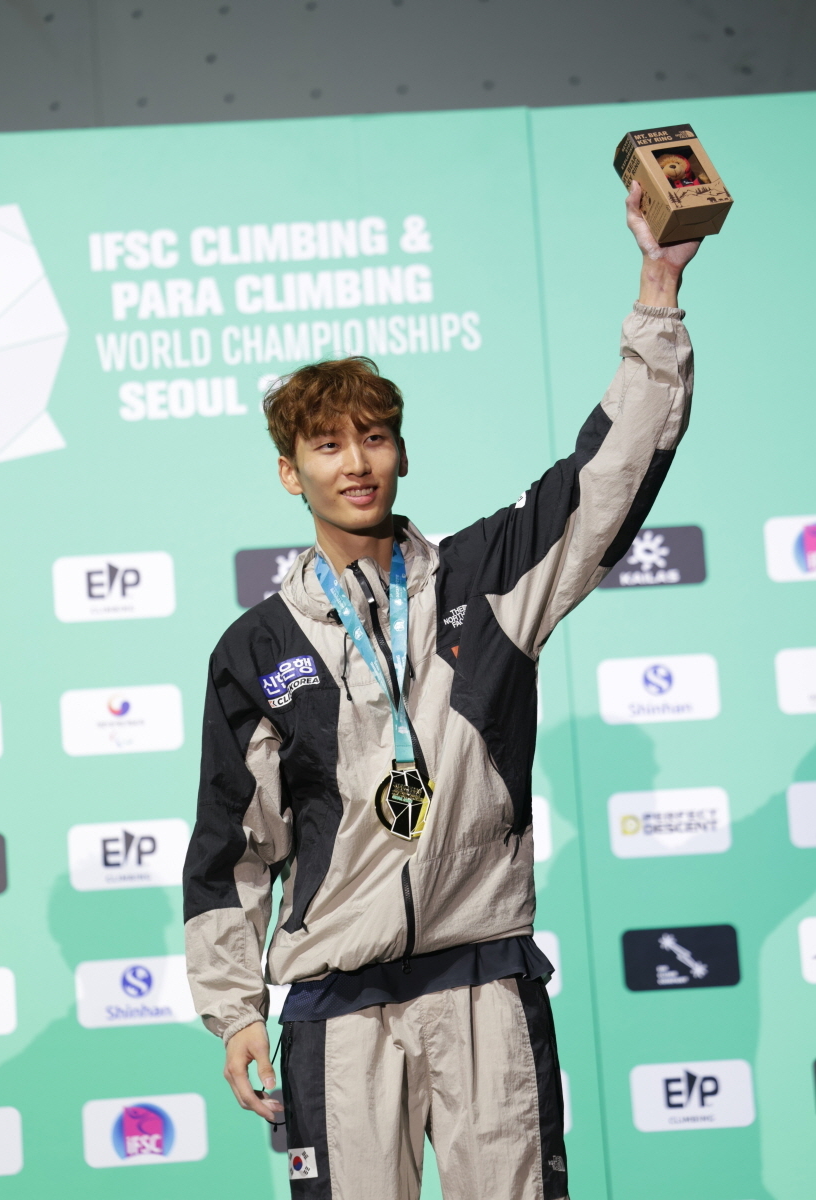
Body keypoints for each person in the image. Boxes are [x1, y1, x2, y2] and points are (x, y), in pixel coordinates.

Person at [183, 183, 701, 1200]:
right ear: (290, 472)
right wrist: (236, 1010)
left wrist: (657, 289)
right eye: (328, 445)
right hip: (336, 1006)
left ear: (402, 451)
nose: (356, 464)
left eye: (373, 438)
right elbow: (233, 847)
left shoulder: (488, 579)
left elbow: (607, 476)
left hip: (482, 982)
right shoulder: (256, 648)